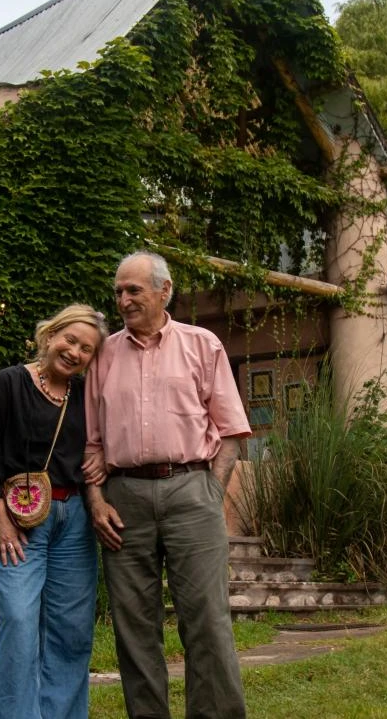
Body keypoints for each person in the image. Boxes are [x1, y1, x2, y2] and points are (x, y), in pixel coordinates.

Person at [82, 251, 251, 719]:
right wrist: (96, 500)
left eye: (133, 289)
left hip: (191, 489)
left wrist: (212, 492)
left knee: (208, 624)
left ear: (164, 290)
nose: (123, 299)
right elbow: (91, 443)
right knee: (134, 629)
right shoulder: (104, 355)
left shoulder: (203, 345)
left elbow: (232, 433)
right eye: (118, 291)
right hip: (123, 500)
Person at [0, 303, 109, 719]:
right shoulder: (9, 383)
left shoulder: (86, 397)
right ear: (50, 335)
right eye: (70, 339)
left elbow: (99, 445)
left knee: (71, 630)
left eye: (86, 349)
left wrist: (101, 458)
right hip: (18, 522)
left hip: (75, 521)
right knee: (20, 621)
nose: (75, 352)